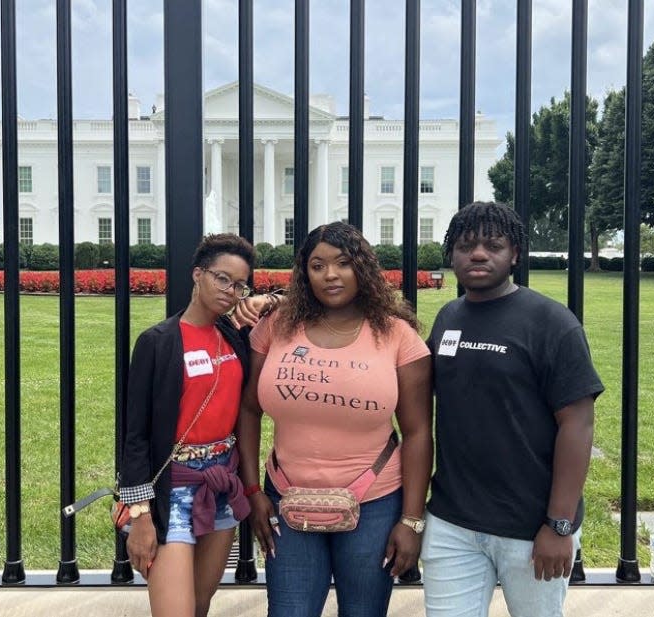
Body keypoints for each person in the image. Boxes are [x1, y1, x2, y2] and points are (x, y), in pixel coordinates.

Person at [237, 221, 433, 617]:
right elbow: (248, 409)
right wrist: (254, 491)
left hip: (374, 504)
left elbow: (417, 433)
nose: (330, 275)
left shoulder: (397, 336)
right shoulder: (276, 326)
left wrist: (411, 520)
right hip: (286, 498)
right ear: (304, 273)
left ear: (363, 268)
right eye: (317, 265)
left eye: (343, 263)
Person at [421, 201, 604, 617]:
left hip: (532, 527)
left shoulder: (552, 323)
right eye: (466, 245)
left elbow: (577, 424)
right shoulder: (448, 318)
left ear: (515, 255)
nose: (479, 254)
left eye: (493, 245)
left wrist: (558, 524)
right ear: (452, 254)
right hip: (453, 522)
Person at [119, 233, 259, 617]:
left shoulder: (234, 336)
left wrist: (269, 298)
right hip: (173, 488)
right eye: (222, 278)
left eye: (240, 284)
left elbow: (300, 299)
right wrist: (140, 515)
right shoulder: (158, 342)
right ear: (198, 275)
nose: (231, 291)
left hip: (221, 481)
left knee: (199, 605)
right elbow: (134, 436)